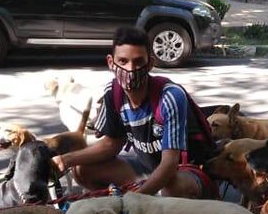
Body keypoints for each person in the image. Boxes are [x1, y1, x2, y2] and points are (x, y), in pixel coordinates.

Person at [52, 27, 218, 199]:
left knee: (171, 188)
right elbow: (111, 145)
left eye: (138, 62)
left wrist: (135, 199)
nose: (130, 70)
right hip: (147, 166)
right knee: (82, 171)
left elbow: (170, 163)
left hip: (186, 171)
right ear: (111, 62)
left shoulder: (170, 96)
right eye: (123, 61)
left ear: (150, 63)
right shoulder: (113, 92)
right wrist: (65, 160)